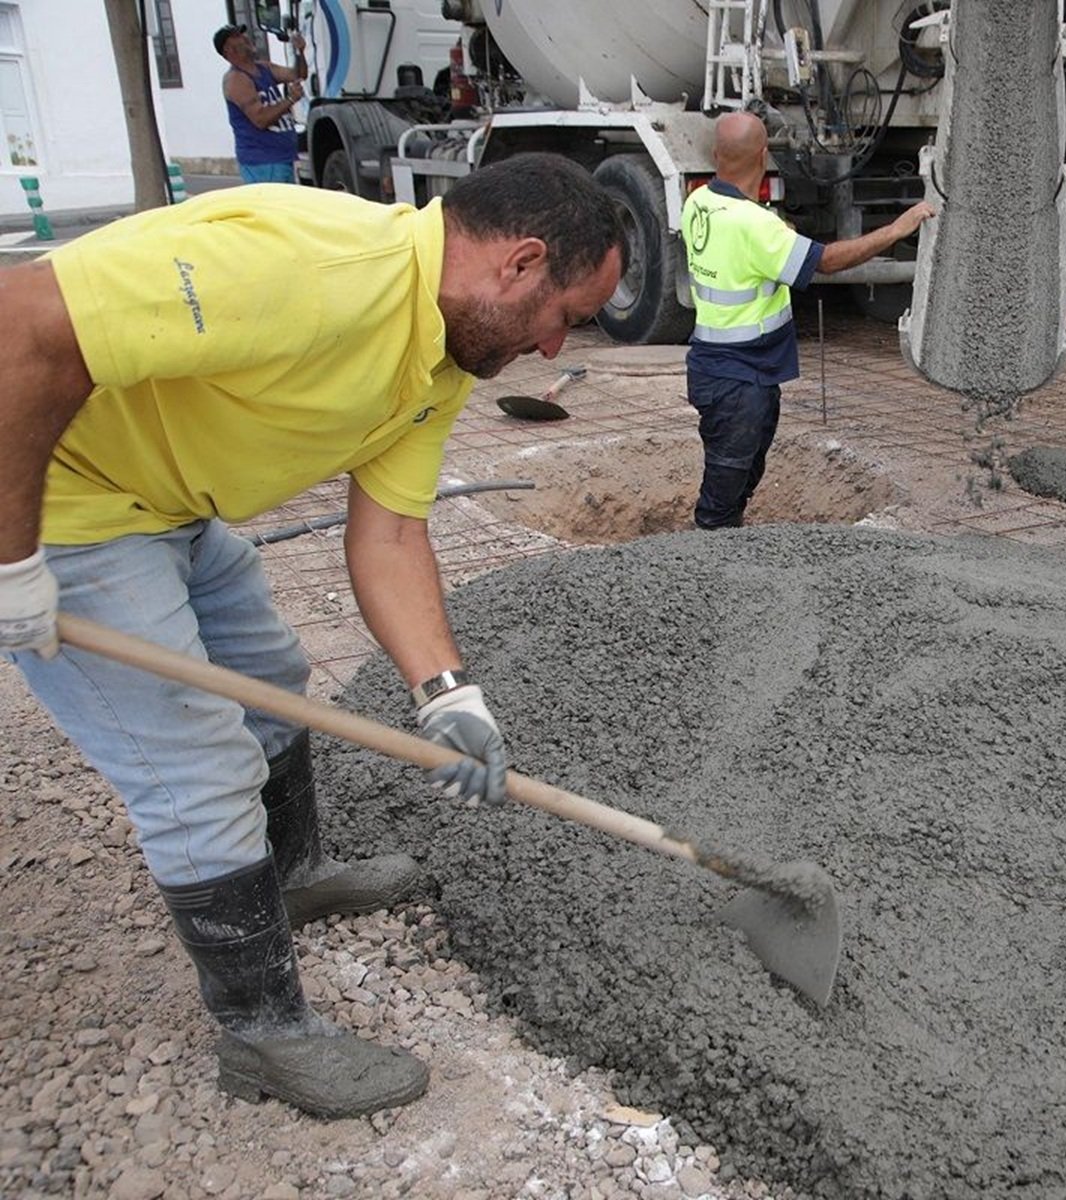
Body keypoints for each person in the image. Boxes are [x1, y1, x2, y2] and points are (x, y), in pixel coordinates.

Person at [0, 153, 625, 1118]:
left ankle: (289, 876)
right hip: (64, 502)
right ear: (521, 263)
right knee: (198, 769)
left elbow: (390, 533)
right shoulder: (312, 271)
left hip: (166, 498)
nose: (555, 350)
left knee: (269, 674)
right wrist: (13, 559)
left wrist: (448, 694)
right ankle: (262, 1032)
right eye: (567, 316)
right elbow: (23, 319)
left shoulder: (441, 351)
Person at [681, 111, 937, 529]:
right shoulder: (756, 225)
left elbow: (742, 248)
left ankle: (723, 546)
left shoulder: (699, 203)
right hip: (739, 380)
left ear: (715, 155)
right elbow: (828, 262)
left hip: (719, 369)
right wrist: (895, 229)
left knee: (738, 478)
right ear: (764, 156)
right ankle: (711, 566)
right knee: (723, 495)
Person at [216, 23, 306, 184]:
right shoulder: (236, 80)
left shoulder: (264, 68)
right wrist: (290, 99)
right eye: (238, 37)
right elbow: (260, 120)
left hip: (281, 158)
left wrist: (299, 51)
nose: (246, 38)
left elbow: (298, 74)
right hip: (263, 163)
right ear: (229, 50)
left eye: (244, 34)